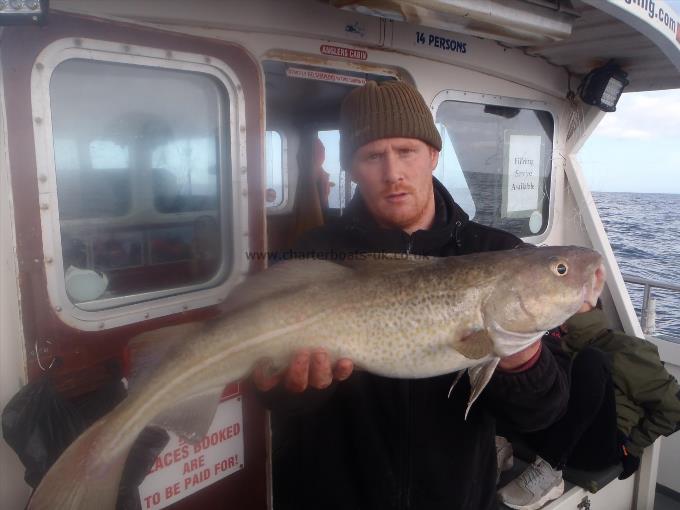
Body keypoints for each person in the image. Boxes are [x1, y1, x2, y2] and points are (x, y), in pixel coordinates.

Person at [253, 80, 571, 510]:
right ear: (351, 167)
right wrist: (294, 387)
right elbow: (275, 401)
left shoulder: (497, 253)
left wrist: (522, 359)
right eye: (372, 156)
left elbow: (541, 415)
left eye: (407, 151)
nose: (393, 173)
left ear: (433, 155)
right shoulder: (318, 252)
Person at [497, 302, 680, 510]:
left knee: (592, 360)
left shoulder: (626, 348)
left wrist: (633, 447)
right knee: (506, 351)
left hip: (593, 446)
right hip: (546, 430)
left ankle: (550, 470)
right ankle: (499, 443)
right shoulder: (553, 343)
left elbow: (674, 408)